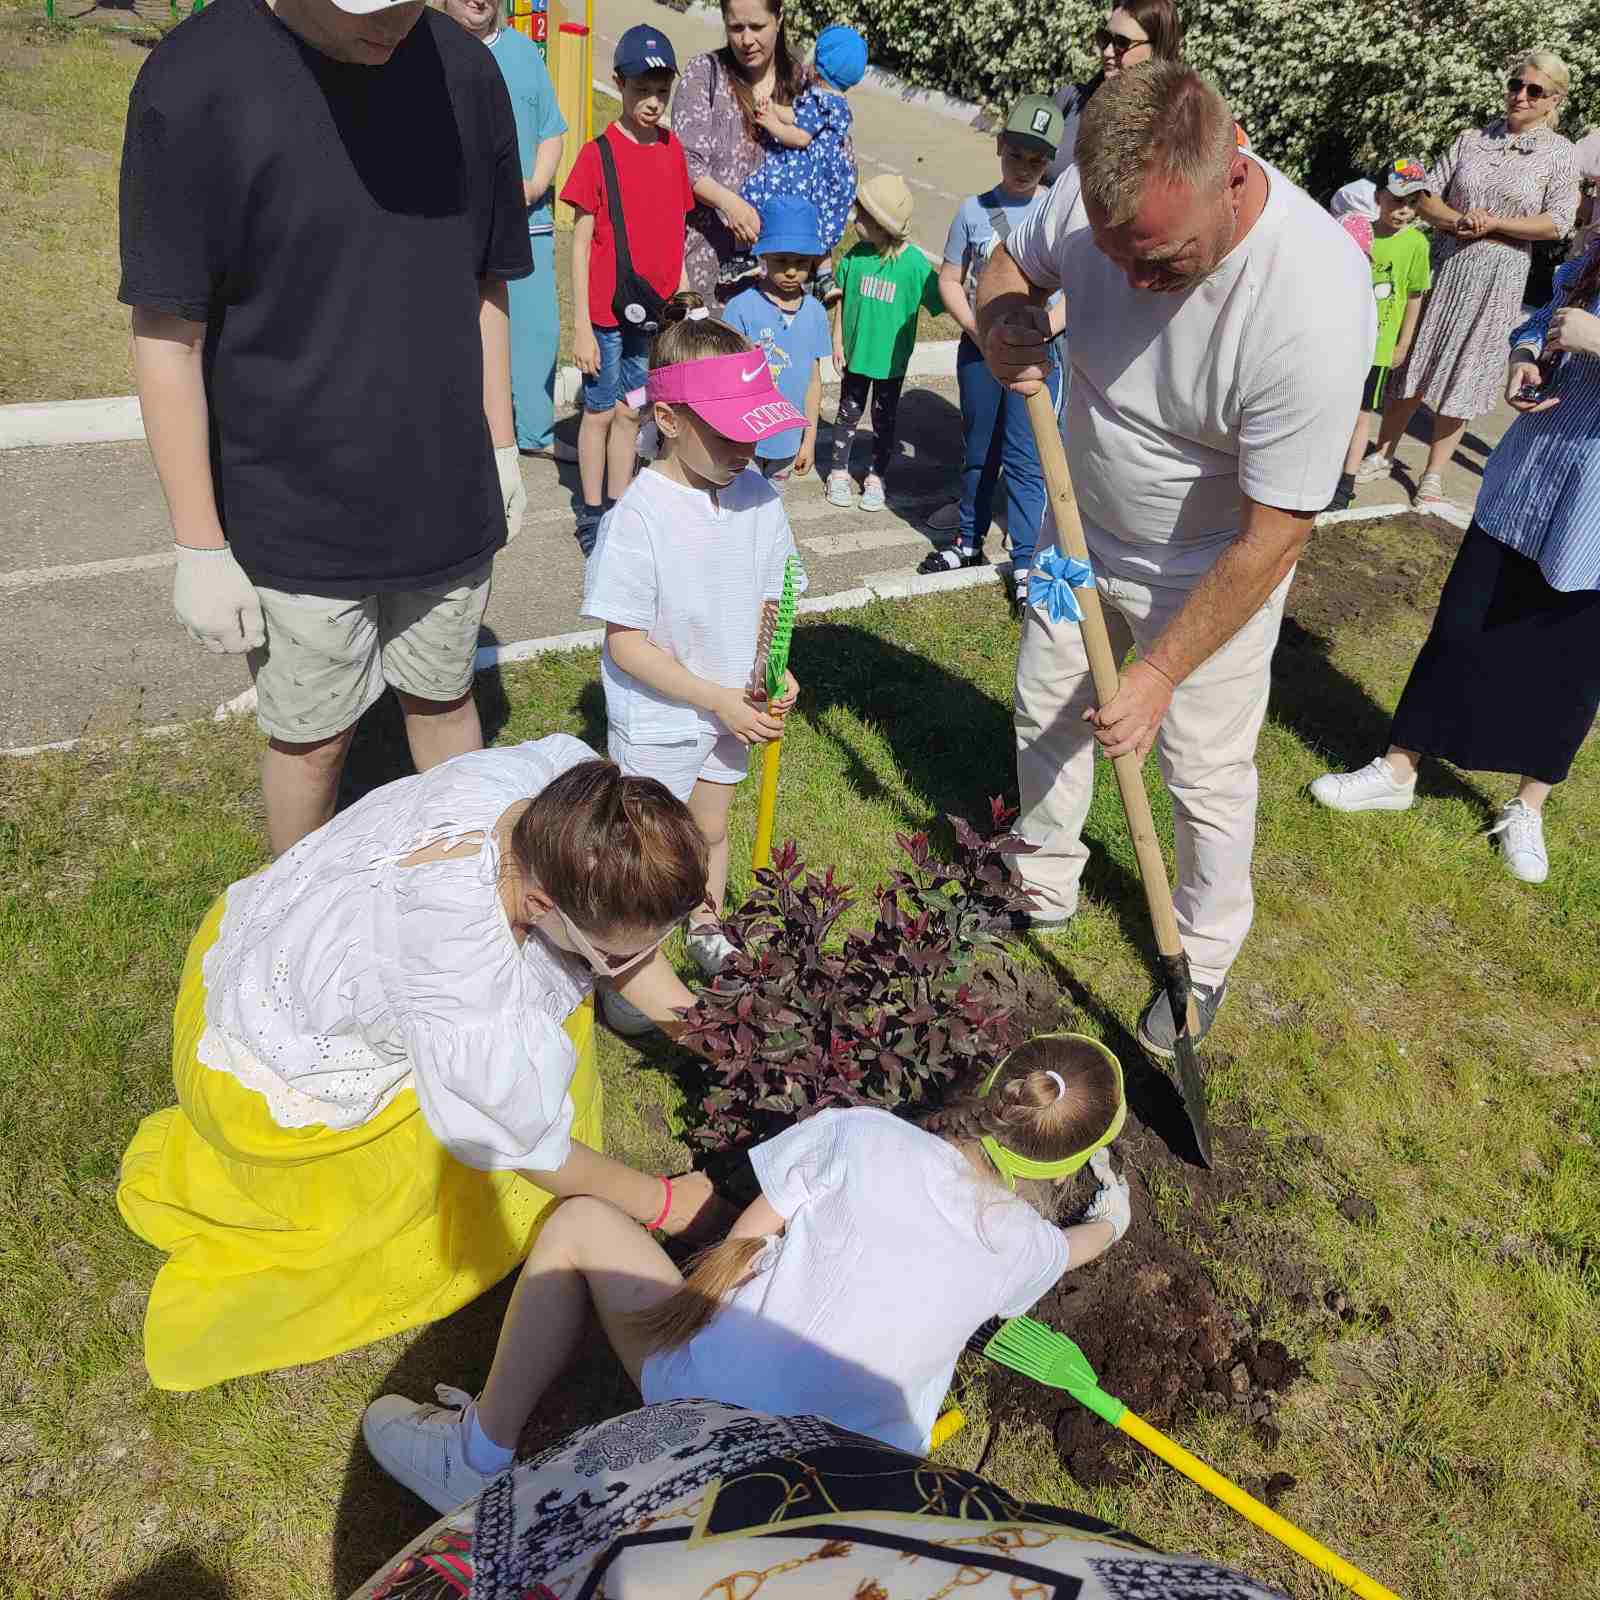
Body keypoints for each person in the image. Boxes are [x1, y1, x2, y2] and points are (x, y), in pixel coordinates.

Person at [117, 739, 721, 1391]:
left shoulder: (568, 799)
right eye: (609, 954)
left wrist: (720, 1037)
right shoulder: (464, 980)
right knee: (426, 1201)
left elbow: (621, 948)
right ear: (544, 907)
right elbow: (527, 1149)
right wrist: (668, 1204)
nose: (627, 965)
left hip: (271, 928)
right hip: (272, 1053)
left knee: (541, 1021)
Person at [977, 63, 1373, 1055]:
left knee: (1200, 765)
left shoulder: (1312, 299)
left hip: (1206, 561)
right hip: (1076, 529)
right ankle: (1043, 872)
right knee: (1044, 700)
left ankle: (1200, 948)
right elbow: (1006, 265)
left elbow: (1275, 531)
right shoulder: (1093, 195)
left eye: (1159, 258)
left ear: (1229, 170)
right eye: (1111, 255)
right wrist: (1003, 322)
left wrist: (1157, 671)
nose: (1129, 277)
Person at [359, 1033, 1131, 1513]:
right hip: (844, 1488)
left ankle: (475, 1458)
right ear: (1061, 1164)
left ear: (996, 1082)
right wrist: (1111, 1218)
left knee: (578, 1225)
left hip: (707, 1406)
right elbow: (1080, 1247)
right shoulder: (1028, 1247)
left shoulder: (862, 1135)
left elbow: (752, 1230)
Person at [119, 0, 532, 858]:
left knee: (444, 701)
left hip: (445, 487)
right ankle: (292, 921)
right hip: (291, 504)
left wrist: (499, 442)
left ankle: (461, 912)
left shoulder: (467, 71)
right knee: (314, 739)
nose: (393, 21)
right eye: (368, 7)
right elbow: (168, 333)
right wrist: (199, 542)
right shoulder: (195, 82)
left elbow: (486, 281)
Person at [1310, 240, 1600, 884]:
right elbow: (1540, 321)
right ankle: (1398, 768)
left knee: (1573, 663)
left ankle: (1528, 806)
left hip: (1595, 514)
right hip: (1529, 476)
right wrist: (1526, 360)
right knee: (1461, 625)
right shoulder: (1593, 258)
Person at [581, 298, 807, 1033]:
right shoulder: (639, 518)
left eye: (756, 429)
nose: (747, 449)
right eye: (729, 432)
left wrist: (776, 669)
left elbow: (777, 592)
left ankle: (707, 923)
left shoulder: (757, 496)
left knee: (710, 827)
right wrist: (714, 698)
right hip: (666, 714)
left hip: (733, 707)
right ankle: (630, 964)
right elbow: (626, 644)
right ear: (670, 421)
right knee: (647, 849)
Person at [1358, 50, 1579, 511]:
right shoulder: (1471, 139)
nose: (1520, 95)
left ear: (1553, 101)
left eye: (1533, 90)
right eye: (1516, 85)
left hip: (1500, 277)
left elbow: (1557, 223)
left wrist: (1494, 223)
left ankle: (1434, 473)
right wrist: (1461, 221)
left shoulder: (1560, 155)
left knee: (1468, 369)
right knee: (1413, 360)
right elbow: (1423, 195)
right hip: (1449, 264)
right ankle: (1383, 451)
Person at [921, 95, 1065, 602]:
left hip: (1034, 354)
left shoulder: (1057, 212)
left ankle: (1025, 561)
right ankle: (967, 540)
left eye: (1038, 158)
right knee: (979, 450)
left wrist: (1043, 331)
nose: (1025, 167)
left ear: (1050, 162)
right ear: (1000, 146)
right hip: (980, 353)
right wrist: (980, 332)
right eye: (1017, 152)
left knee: (1027, 455)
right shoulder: (972, 211)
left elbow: (1075, 289)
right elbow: (950, 280)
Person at [561, 25, 694, 551]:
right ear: (618, 84)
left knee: (631, 411)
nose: (653, 101)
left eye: (662, 90)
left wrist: (685, 305)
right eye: (642, 89)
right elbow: (579, 246)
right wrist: (580, 328)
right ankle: (592, 512)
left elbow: (676, 237)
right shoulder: (597, 155)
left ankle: (619, 509)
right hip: (605, 319)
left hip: (656, 317)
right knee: (596, 412)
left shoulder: (673, 150)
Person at [443, 0, 573, 464]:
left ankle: (534, 432)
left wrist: (537, 183)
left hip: (529, 225)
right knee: (461, 332)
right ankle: (472, 434)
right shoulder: (427, 48)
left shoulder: (523, 53)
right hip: (453, 231)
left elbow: (552, 131)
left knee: (537, 334)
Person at [674, 0, 814, 302]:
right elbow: (685, 163)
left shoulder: (803, 85)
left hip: (784, 279)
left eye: (757, 27)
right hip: (710, 271)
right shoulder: (704, 74)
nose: (746, 40)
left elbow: (829, 156)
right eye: (736, 28)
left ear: (779, 17)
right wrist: (728, 203)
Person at [825, 173, 944, 513]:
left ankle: (877, 475)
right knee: (847, 413)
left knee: (884, 419)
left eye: (861, 215)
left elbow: (944, 296)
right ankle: (838, 471)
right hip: (855, 356)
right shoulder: (855, 256)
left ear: (882, 224)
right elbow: (842, 299)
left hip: (891, 363)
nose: (855, 218)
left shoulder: (914, 266)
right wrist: (837, 340)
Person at [720, 23, 866, 299]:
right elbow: (799, 116)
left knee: (756, 191)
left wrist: (770, 122)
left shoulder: (820, 99)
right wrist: (775, 108)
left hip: (805, 174)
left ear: (818, 65)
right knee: (819, 223)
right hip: (828, 182)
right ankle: (824, 277)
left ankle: (745, 256)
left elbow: (799, 136)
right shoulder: (836, 103)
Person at [1327, 158, 1433, 512]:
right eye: (1396, 200)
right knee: (1330, 407)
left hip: (1378, 348)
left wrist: (1403, 343)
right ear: (1378, 196)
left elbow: (1415, 295)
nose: (1403, 211)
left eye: (1412, 203)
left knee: (1360, 416)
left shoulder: (1417, 244)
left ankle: (1345, 484)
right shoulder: (1359, 231)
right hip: (1345, 341)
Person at [723, 197, 831, 488]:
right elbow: (727, 380)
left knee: (772, 507)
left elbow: (813, 383)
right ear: (764, 256)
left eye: (801, 262)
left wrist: (808, 441)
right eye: (782, 261)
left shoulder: (816, 314)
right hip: (744, 441)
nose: (792, 271)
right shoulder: (740, 308)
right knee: (737, 508)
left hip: (788, 440)